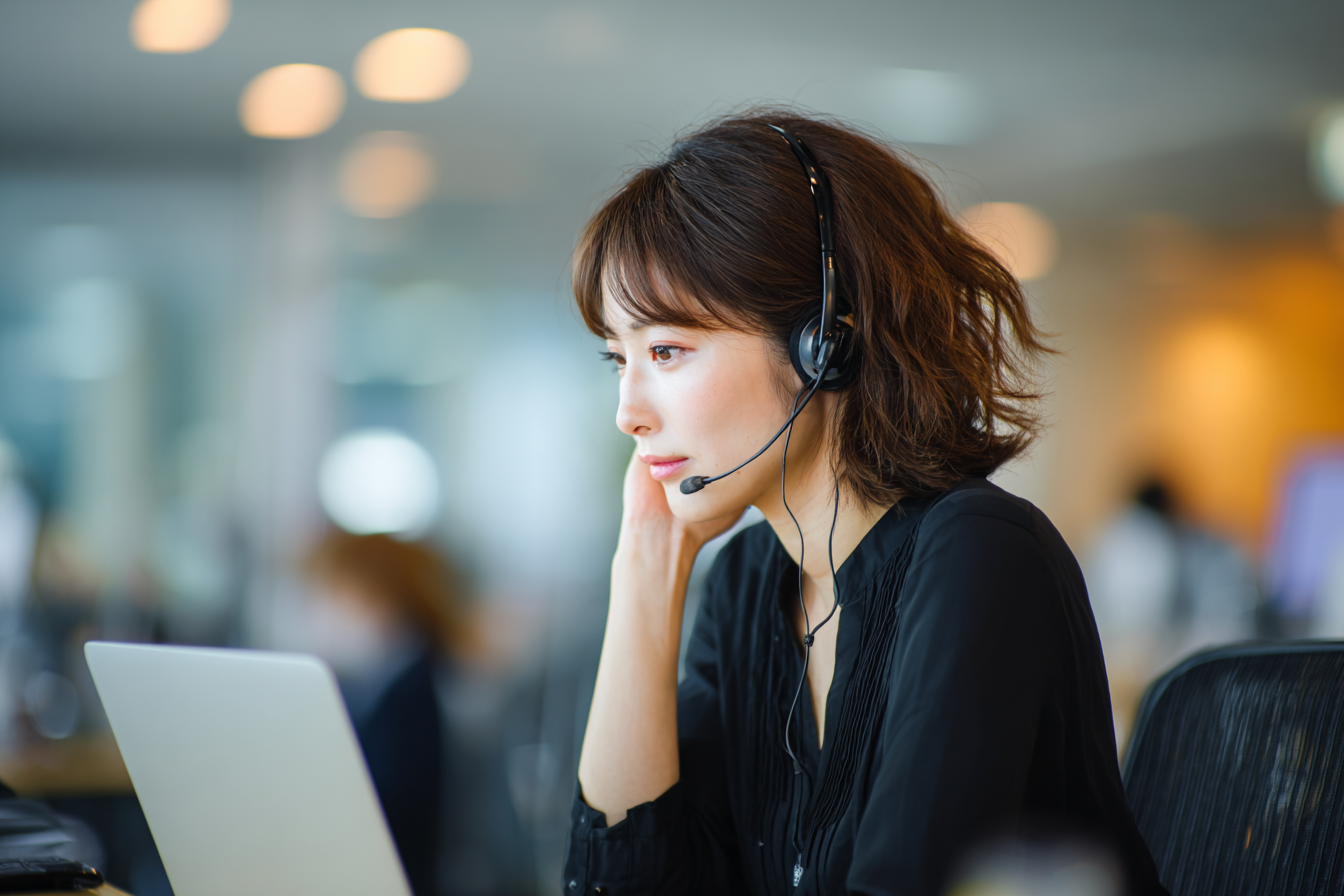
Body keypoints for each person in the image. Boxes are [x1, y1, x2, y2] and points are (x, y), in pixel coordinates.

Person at [562, 110, 1168, 896]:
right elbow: (627, 883)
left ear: (824, 342)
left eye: (667, 351)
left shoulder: (979, 556)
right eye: (619, 359)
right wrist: (645, 564)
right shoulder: (750, 582)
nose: (628, 410)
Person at [304, 531, 470, 896]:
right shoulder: (387, 679)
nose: (322, 611)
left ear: (375, 594)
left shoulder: (415, 691)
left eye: (333, 594)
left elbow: (388, 805)